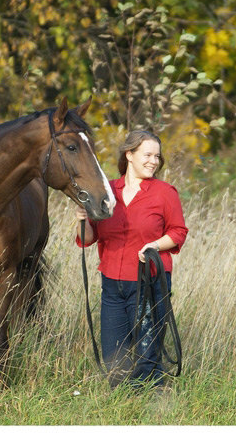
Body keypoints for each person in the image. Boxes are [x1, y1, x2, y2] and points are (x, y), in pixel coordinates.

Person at [75, 130, 188, 388]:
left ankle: (153, 403)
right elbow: (88, 238)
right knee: (114, 360)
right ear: (129, 155)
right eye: (147, 154)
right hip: (112, 285)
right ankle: (123, 407)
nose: (153, 161)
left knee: (148, 358)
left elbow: (178, 232)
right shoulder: (107, 191)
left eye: (157, 156)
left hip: (149, 282)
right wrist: (81, 219)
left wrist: (154, 245)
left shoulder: (164, 193)